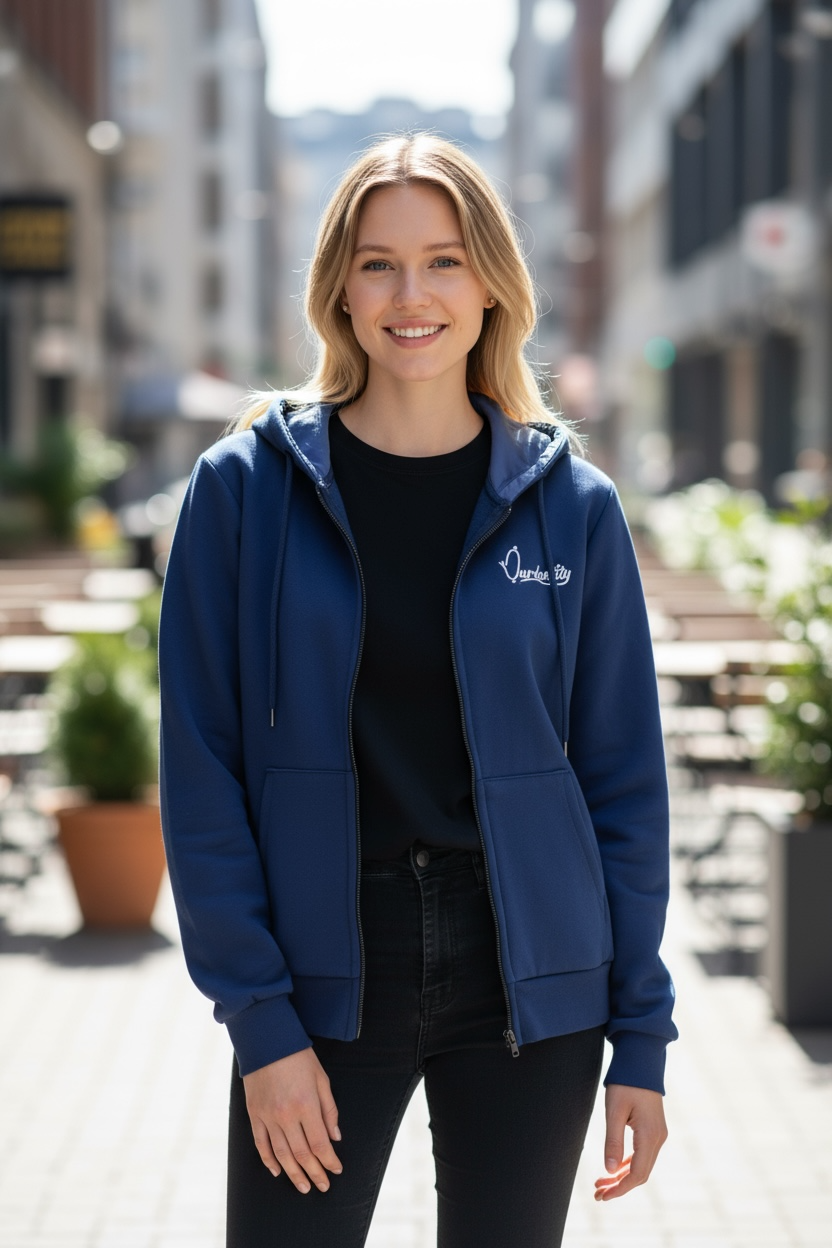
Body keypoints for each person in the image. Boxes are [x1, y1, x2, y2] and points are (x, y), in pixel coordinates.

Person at [158, 133, 677, 1248]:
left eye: (443, 261)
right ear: (337, 285)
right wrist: (260, 1024)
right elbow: (200, 772)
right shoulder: (243, 493)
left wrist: (641, 1035)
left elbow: (623, 786)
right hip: (323, 970)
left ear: (491, 284)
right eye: (379, 261)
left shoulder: (571, 507)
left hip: (531, 978)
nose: (411, 295)